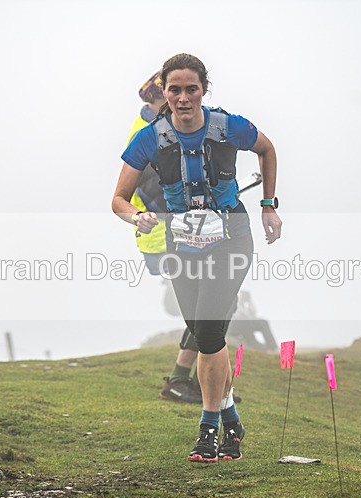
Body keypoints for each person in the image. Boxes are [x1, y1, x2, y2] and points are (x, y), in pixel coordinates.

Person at [113, 53, 282, 462]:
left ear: (204, 90)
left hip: (231, 239)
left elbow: (267, 149)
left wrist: (268, 205)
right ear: (164, 93)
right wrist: (138, 217)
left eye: (192, 89)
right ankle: (233, 419)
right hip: (181, 245)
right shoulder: (150, 138)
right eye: (175, 90)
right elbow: (118, 199)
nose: (184, 97)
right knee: (209, 337)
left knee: (207, 333)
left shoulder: (228, 126)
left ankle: (209, 431)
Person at [128, 70, 202, 404]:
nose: (178, 103)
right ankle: (180, 380)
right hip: (162, 237)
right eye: (170, 97)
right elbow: (151, 188)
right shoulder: (147, 133)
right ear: (158, 99)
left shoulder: (166, 129)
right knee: (207, 307)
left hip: (177, 233)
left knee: (213, 306)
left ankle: (197, 380)